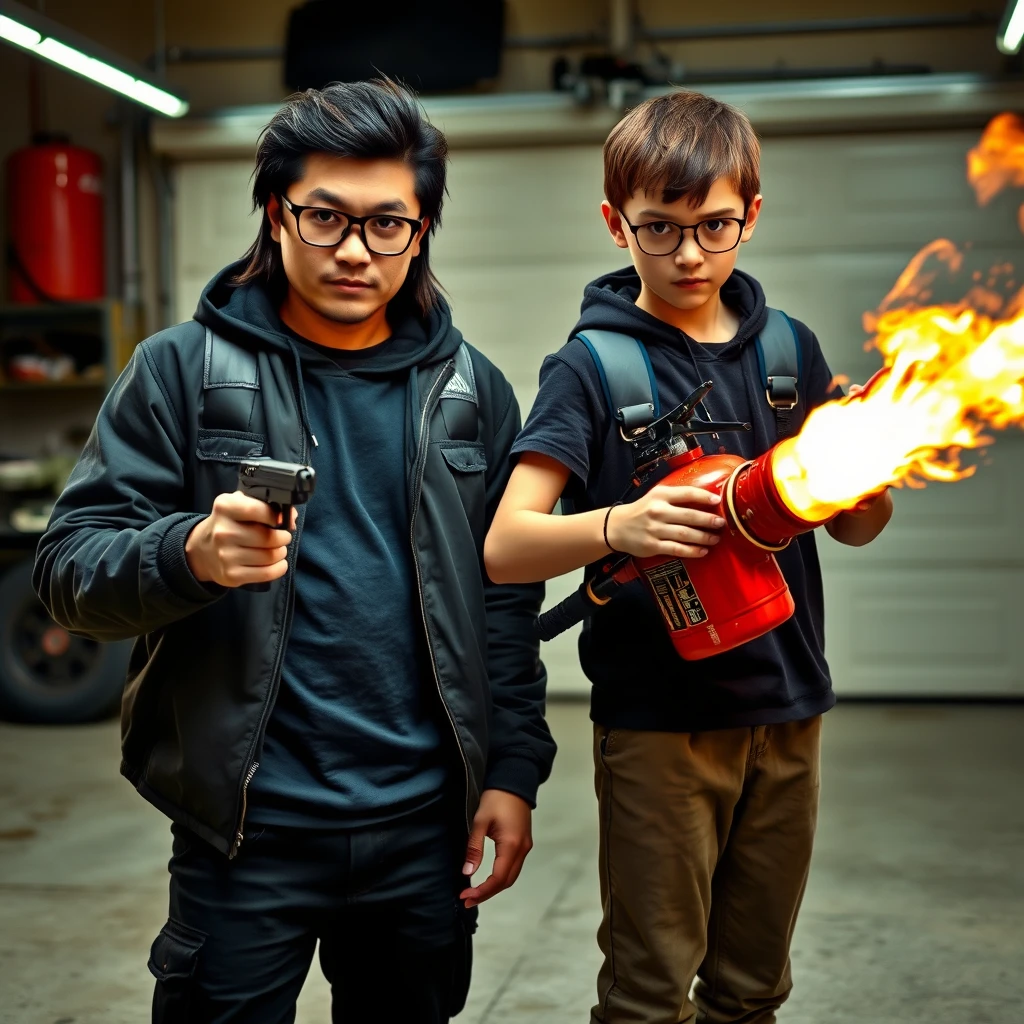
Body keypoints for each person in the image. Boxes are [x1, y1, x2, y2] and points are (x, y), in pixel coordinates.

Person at [33, 78, 555, 1024]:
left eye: (388, 224)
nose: (356, 251)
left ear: (422, 230)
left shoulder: (472, 392)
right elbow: (68, 573)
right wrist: (187, 552)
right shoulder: (182, 371)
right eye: (326, 217)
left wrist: (513, 771)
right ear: (277, 215)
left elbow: (505, 607)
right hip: (246, 835)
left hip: (419, 830)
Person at [484, 90, 893, 1024]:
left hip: (790, 713)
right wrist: (617, 526)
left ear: (752, 213)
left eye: (715, 227)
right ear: (614, 222)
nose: (689, 256)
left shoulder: (790, 353)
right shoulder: (590, 369)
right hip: (661, 729)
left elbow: (859, 527)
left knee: (753, 988)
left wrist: (864, 468)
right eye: (658, 230)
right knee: (650, 994)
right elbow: (506, 547)